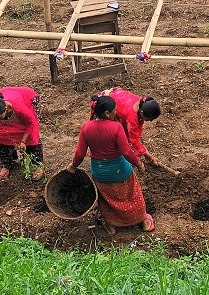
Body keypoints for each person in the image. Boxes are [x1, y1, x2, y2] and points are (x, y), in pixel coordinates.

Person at [67, 94, 154, 235]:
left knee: (107, 199)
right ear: (107, 113)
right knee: (133, 193)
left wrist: (73, 166)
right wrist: (138, 163)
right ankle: (143, 220)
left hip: (100, 173)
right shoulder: (116, 127)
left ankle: (111, 225)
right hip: (120, 170)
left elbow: (80, 153)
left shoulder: (86, 127)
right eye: (114, 110)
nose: (116, 112)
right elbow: (126, 151)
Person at [0, 86, 44, 181]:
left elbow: (32, 123)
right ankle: (7, 164)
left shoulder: (18, 107)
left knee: (31, 137)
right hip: (8, 100)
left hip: (26, 99)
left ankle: (37, 164)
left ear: (6, 109)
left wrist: (23, 141)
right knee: (2, 136)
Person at [97, 87, 161, 166]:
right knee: (112, 136)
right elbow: (134, 139)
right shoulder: (132, 116)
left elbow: (139, 128)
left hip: (117, 98)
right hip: (104, 104)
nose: (150, 121)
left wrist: (143, 149)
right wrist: (149, 156)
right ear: (141, 112)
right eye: (149, 119)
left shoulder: (142, 104)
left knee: (127, 133)